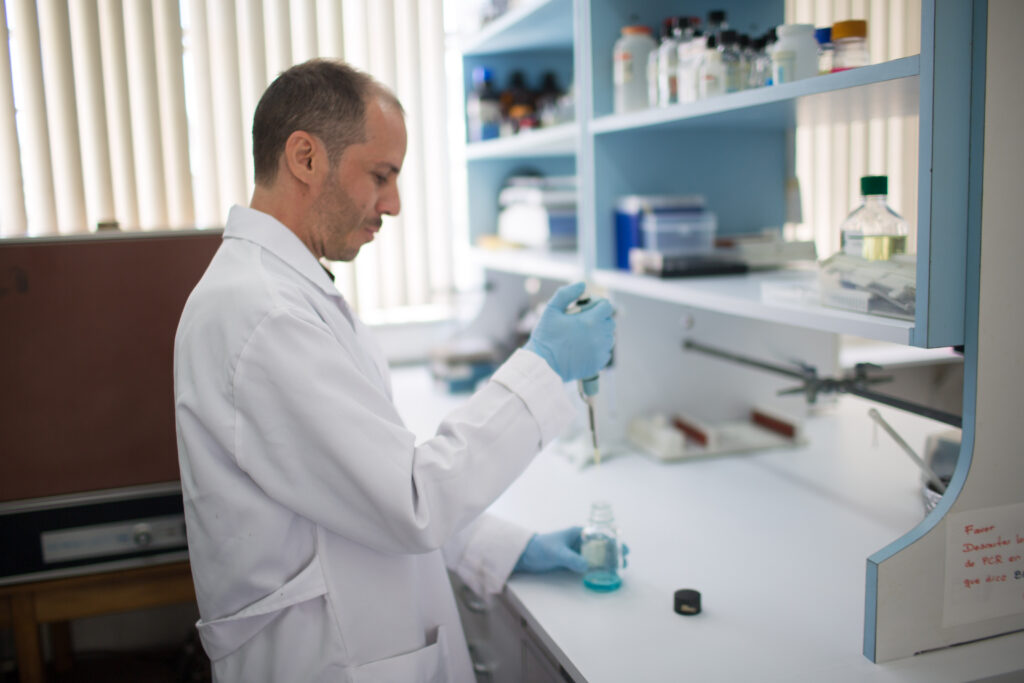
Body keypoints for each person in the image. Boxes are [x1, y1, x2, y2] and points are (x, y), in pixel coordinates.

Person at [173, 59, 615, 682]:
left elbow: (366, 485)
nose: (395, 204)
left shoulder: (289, 292)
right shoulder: (262, 315)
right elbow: (408, 501)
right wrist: (544, 367)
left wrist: (504, 549)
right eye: (380, 175)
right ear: (305, 158)